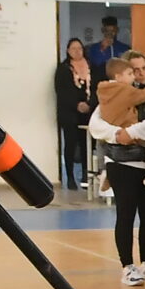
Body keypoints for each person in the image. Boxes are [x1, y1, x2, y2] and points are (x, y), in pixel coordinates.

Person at [90, 53, 145, 285]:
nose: (140, 73)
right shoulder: (119, 92)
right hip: (122, 163)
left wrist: (134, 132)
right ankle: (127, 265)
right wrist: (119, 134)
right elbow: (96, 126)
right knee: (126, 215)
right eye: (134, 70)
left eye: (143, 68)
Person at [54, 35, 96, 191]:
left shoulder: (92, 66)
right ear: (68, 51)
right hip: (70, 113)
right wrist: (77, 105)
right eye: (73, 49)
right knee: (70, 144)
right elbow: (61, 92)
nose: (77, 51)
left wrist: (89, 105)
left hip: (88, 113)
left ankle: (86, 175)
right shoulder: (63, 69)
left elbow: (97, 88)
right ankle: (70, 177)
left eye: (79, 48)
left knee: (87, 145)